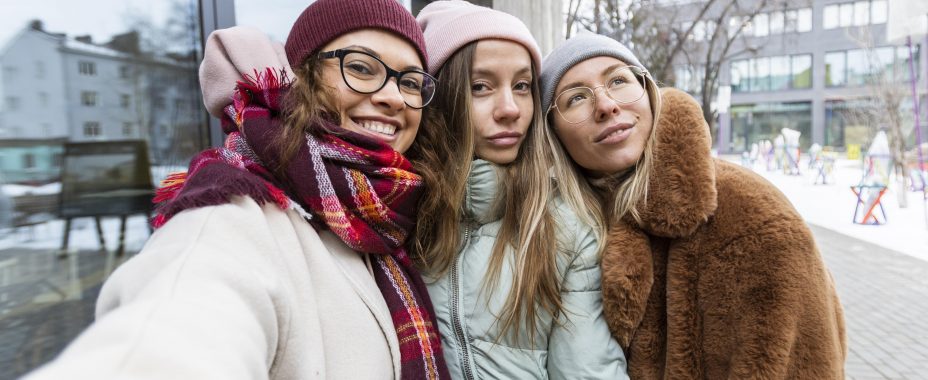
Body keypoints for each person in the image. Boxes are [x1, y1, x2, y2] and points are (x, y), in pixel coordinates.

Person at [24, 0, 449, 378]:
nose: (394, 97)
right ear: (302, 80)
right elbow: (179, 325)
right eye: (360, 67)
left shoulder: (395, 219)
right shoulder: (233, 212)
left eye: (410, 82)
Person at [540, 33, 847, 379]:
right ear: (552, 133)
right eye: (576, 97)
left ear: (649, 94)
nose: (606, 105)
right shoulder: (549, 233)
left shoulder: (752, 218)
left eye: (618, 80)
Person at [408, 2, 629, 379]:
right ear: (439, 99)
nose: (510, 109)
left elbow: (586, 368)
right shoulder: (392, 215)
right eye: (480, 87)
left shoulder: (563, 226)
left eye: (522, 86)